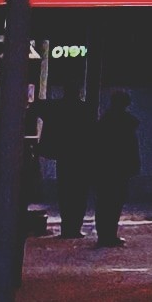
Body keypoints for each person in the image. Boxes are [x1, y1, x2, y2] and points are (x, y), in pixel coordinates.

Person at [40, 87, 93, 239]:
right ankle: (75, 227)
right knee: (79, 195)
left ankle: (67, 227)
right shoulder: (84, 109)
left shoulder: (58, 108)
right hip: (80, 157)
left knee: (65, 194)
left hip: (64, 156)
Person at [91, 92, 139, 248]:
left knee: (103, 202)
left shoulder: (104, 122)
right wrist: (134, 165)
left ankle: (103, 235)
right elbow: (131, 147)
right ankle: (110, 234)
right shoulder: (128, 123)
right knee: (115, 202)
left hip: (104, 168)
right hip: (120, 168)